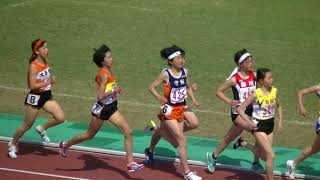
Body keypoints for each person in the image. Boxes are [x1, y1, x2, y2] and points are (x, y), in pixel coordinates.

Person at [58, 44, 144, 172]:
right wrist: (114, 90)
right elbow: (100, 96)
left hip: (111, 108)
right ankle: (65, 145)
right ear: (102, 61)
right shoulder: (104, 74)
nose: (112, 59)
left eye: (111, 56)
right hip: (102, 109)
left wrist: (114, 90)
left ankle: (130, 163)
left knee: (128, 131)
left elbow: (105, 87)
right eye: (109, 57)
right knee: (89, 135)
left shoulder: (108, 71)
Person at [146, 45, 201, 180]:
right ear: (171, 61)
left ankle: (155, 132)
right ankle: (187, 173)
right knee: (180, 141)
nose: (181, 60)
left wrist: (193, 98)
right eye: (178, 58)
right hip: (169, 109)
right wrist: (160, 98)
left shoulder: (185, 72)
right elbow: (151, 87)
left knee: (187, 130)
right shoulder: (166, 73)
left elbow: (187, 86)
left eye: (182, 57)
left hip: (181, 107)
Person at [8, 39, 65, 158]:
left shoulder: (45, 60)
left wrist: (48, 83)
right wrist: (48, 82)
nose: (47, 50)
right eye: (44, 48)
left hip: (46, 95)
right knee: (27, 125)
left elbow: (45, 76)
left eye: (47, 47)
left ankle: (42, 128)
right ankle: (12, 144)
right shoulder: (33, 66)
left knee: (60, 117)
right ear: (37, 51)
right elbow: (32, 86)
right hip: (35, 96)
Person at [206, 49, 262, 173]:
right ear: (240, 64)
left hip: (252, 111)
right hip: (238, 113)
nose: (251, 63)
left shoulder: (255, 76)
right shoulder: (234, 79)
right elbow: (218, 91)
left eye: (251, 61)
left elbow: (260, 91)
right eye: (247, 61)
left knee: (229, 138)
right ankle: (256, 162)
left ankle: (213, 156)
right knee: (257, 131)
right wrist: (229, 101)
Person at [236, 68, 283, 180]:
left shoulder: (275, 91)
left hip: (270, 125)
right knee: (271, 156)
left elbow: (279, 105)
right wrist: (248, 121)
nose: (272, 80)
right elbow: (240, 109)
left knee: (264, 157)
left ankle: (243, 143)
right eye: (269, 78)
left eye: (272, 77)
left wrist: (280, 121)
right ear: (261, 81)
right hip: (259, 126)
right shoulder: (256, 94)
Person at [286, 84, 320, 179]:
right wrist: (301, 107)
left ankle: (292, 164)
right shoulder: (318, 87)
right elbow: (301, 92)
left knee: (315, 148)